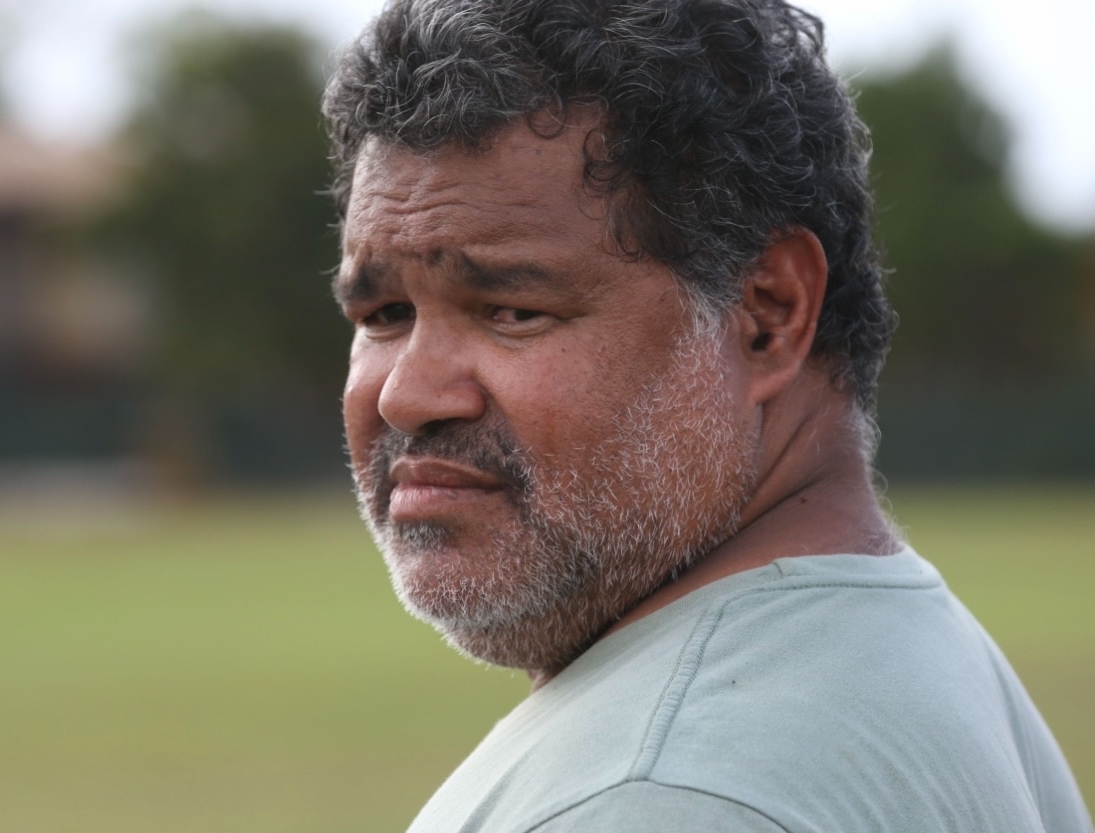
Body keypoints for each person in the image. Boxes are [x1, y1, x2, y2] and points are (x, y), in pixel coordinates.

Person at [322, 0, 1093, 830]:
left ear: (767, 315)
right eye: (384, 315)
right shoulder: (909, 653)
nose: (405, 396)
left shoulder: (659, 794)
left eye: (511, 310)